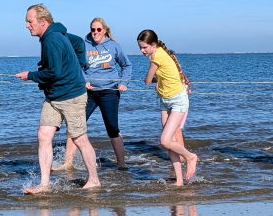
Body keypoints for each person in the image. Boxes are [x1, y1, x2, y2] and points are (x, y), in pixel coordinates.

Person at [13, 4, 100, 193]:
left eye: (30, 22)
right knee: (43, 135)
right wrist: (74, 64)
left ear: (42, 22)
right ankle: (44, 184)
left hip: (72, 96)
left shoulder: (52, 38)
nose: (27, 25)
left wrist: (31, 75)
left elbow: (54, 72)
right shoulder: (53, 35)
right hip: (53, 96)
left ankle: (94, 179)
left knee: (79, 139)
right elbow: (77, 43)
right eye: (27, 22)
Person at [63, 17, 131, 170]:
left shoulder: (114, 46)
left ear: (104, 30)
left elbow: (127, 65)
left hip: (110, 92)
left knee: (112, 128)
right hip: (89, 92)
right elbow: (77, 66)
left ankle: (121, 164)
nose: (95, 32)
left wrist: (123, 83)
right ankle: (67, 163)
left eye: (98, 29)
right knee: (76, 125)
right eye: (92, 29)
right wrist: (84, 80)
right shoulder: (84, 45)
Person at [136, 29, 198, 185]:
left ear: (154, 45)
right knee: (170, 142)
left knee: (165, 140)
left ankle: (191, 157)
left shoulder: (156, 56)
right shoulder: (162, 52)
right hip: (164, 100)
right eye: (140, 48)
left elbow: (147, 80)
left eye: (145, 47)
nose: (142, 51)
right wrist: (161, 81)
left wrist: (155, 80)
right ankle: (179, 180)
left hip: (178, 100)